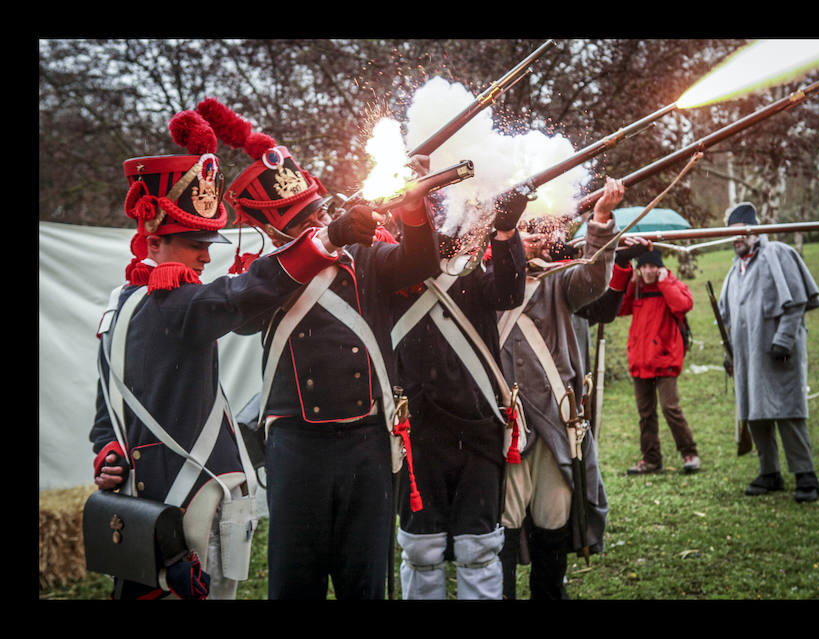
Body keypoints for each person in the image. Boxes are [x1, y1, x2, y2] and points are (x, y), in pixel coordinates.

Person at [88, 109, 339, 600]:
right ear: (154, 241)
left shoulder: (118, 308)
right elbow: (243, 293)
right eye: (194, 244)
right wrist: (323, 241)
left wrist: (110, 452)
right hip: (192, 498)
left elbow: (106, 417)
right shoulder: (172, 301)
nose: (206, 256)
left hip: (146, 501)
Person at [197, 97, 441, 598]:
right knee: (296, 581)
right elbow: (241, 319)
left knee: (365, 579)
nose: (313, 222)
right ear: (269, 229)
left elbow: (420, 264)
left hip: (367, 437)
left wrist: (414, 208)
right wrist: (320, 242)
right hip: (297, 444)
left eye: (314, 213)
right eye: (299, 219)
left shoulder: (366, 255)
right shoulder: (262, 273)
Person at [390, 195, 527, 600]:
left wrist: (505, 232)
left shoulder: (472, 271)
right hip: (418, 431)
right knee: (421, 551)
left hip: (477, 426)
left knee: (479, 548)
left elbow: (508, 293)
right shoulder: (392, 271)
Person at [496, 177, 625, 600]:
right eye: (524, 230)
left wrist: (602, 219)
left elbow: (593, 280)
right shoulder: (487, 282)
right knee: (504, 527)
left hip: (555, 423)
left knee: (553, 521)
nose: (534, 239)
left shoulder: (559, 281)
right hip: (506, 428)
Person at [718, 202, 819, 503]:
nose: (736, 240)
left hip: (778, 351)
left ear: (754, 231)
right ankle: (769, 473)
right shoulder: (733, 270)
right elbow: (728, 318)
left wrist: (783, 341)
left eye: (741, 234)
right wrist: (730, 354)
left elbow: (796, 301)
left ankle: (806, 476)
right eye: (732, 235)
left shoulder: (776, 253)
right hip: (746, 356)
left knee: (788, 411)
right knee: (754, 413)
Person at [617, 248, 701, 475]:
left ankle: (689, 453)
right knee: (645, 414)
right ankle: (651, 459)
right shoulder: (636, 288)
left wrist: (665, 283)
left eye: (652, 266)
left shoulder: (671, 284)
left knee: (670, 408)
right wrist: (629, 283)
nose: (648, 271)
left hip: (665, 359)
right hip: (640, 359)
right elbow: (618, 309)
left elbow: (683, 305)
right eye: (643, 267)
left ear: (660, 267)